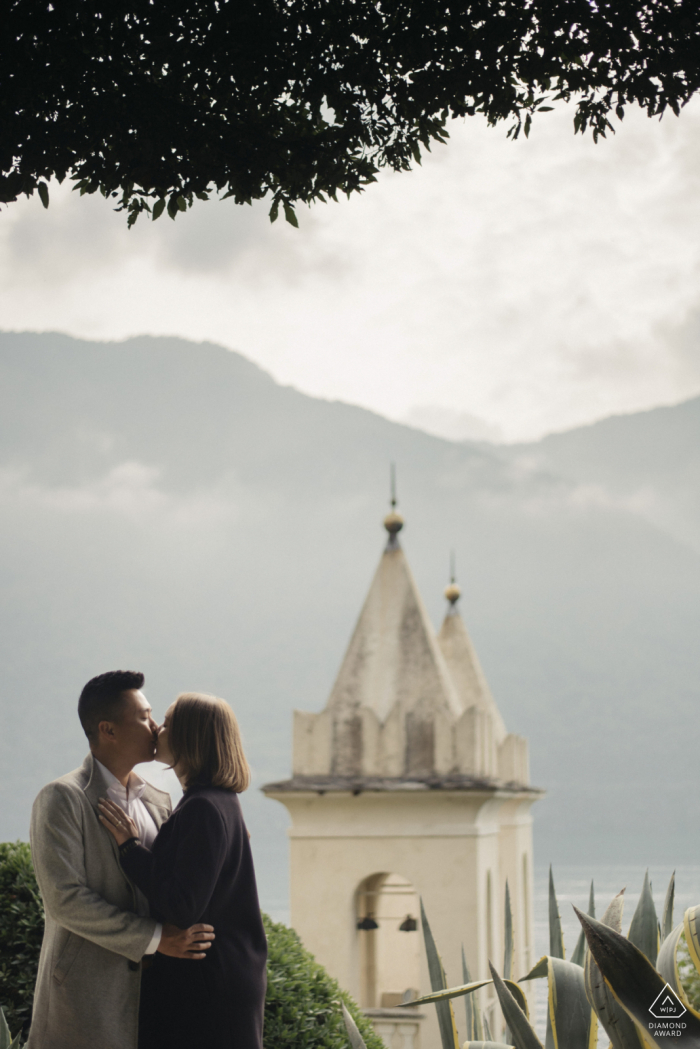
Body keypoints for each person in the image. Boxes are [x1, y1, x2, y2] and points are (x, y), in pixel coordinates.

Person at [27, 671, 215, 1049]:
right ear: (108, 730)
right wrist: (156, 939)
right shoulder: (62, 798)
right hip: (84, 1003)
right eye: (144, 716)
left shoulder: (160, 800)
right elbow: (65, 900)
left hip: (157, 1001)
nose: (156, 725)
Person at [99, 692, 268, 1049]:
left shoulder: (203, 808)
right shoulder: (218, 803)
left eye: (169, 722)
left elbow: (182, 905)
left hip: (205, 989)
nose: (158, 728)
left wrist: (130, 848)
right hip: (220, 981)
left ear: (190, 736)